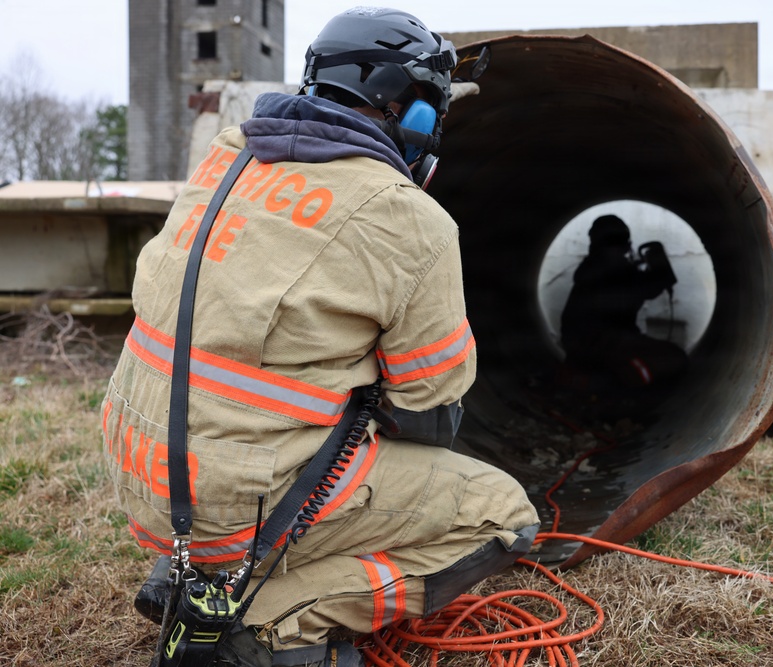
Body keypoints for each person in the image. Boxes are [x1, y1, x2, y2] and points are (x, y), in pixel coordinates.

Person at [101, 7, 539, 666]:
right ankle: (267, 623)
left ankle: (187, 575)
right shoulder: (409, 217)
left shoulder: (227, 156)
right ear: (414, 113)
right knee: (502, 514)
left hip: (137, 467)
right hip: (233, 501)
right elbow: (430, 409)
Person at [559, 214, 686, 391]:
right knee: (674, 359)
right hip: (598, 346)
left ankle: (600, 378)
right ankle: (607, 383)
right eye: (618, 242)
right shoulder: (609, 272)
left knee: (669, 357)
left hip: (593, 346)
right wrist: (659, 268)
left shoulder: (594, 268)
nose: (625, 248)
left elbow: (639, 285)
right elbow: (647, 287)